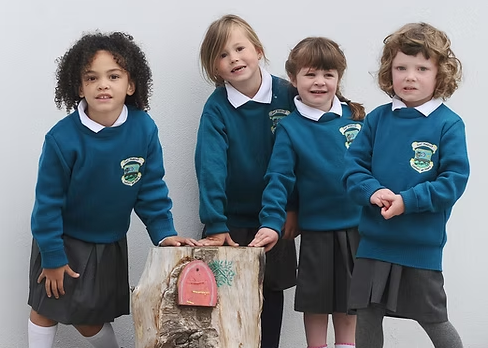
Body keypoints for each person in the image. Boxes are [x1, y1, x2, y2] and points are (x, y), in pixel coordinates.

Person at [28, 31, 199, 348]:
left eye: (113, 76)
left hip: (107, 244)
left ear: (131, 85)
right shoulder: (61, 139)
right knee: (44, 310)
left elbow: (150, 191)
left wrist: (164, 233)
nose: (102, 84)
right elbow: (47, 204)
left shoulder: (143, 128)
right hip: (62, 241)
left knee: (89, 319)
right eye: (91, 78)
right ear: (79, 87)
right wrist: (52, 257)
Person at [341, 22, 469, 348]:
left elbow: (452, 182)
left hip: (420, 247)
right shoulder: (376, 119)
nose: (410, 76)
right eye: (401, 67)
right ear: (389, 71)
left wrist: (408, 201)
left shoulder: (448, 124)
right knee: (367, 315)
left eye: (422, 68)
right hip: (373, 245)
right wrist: (373, 191)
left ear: (440, 74)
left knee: (433, 318)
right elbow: (352, 170)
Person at [251, 37, 365, 348]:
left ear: (338, 78)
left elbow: (376, 169)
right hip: (316, 231)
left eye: (328, 74)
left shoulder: (357, 118)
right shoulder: (290, 128)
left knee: (349, 302)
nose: (319, 82)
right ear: (293, 79)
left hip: (358, 228)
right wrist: (271, 223)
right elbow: (279, 178)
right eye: (310, 74)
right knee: (315, 302)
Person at [195, 14, 298, 348]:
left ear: (257, 50)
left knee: (270, 295)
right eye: (223, 54)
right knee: (223, 304)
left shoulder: (288, 94)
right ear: (214, 68)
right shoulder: (217, 108)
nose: (234, 58)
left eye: (240, 48)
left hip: (276, 218)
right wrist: (214, 222)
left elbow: (306, 155)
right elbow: (210, 167)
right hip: (230, 224)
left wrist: (294, 209)